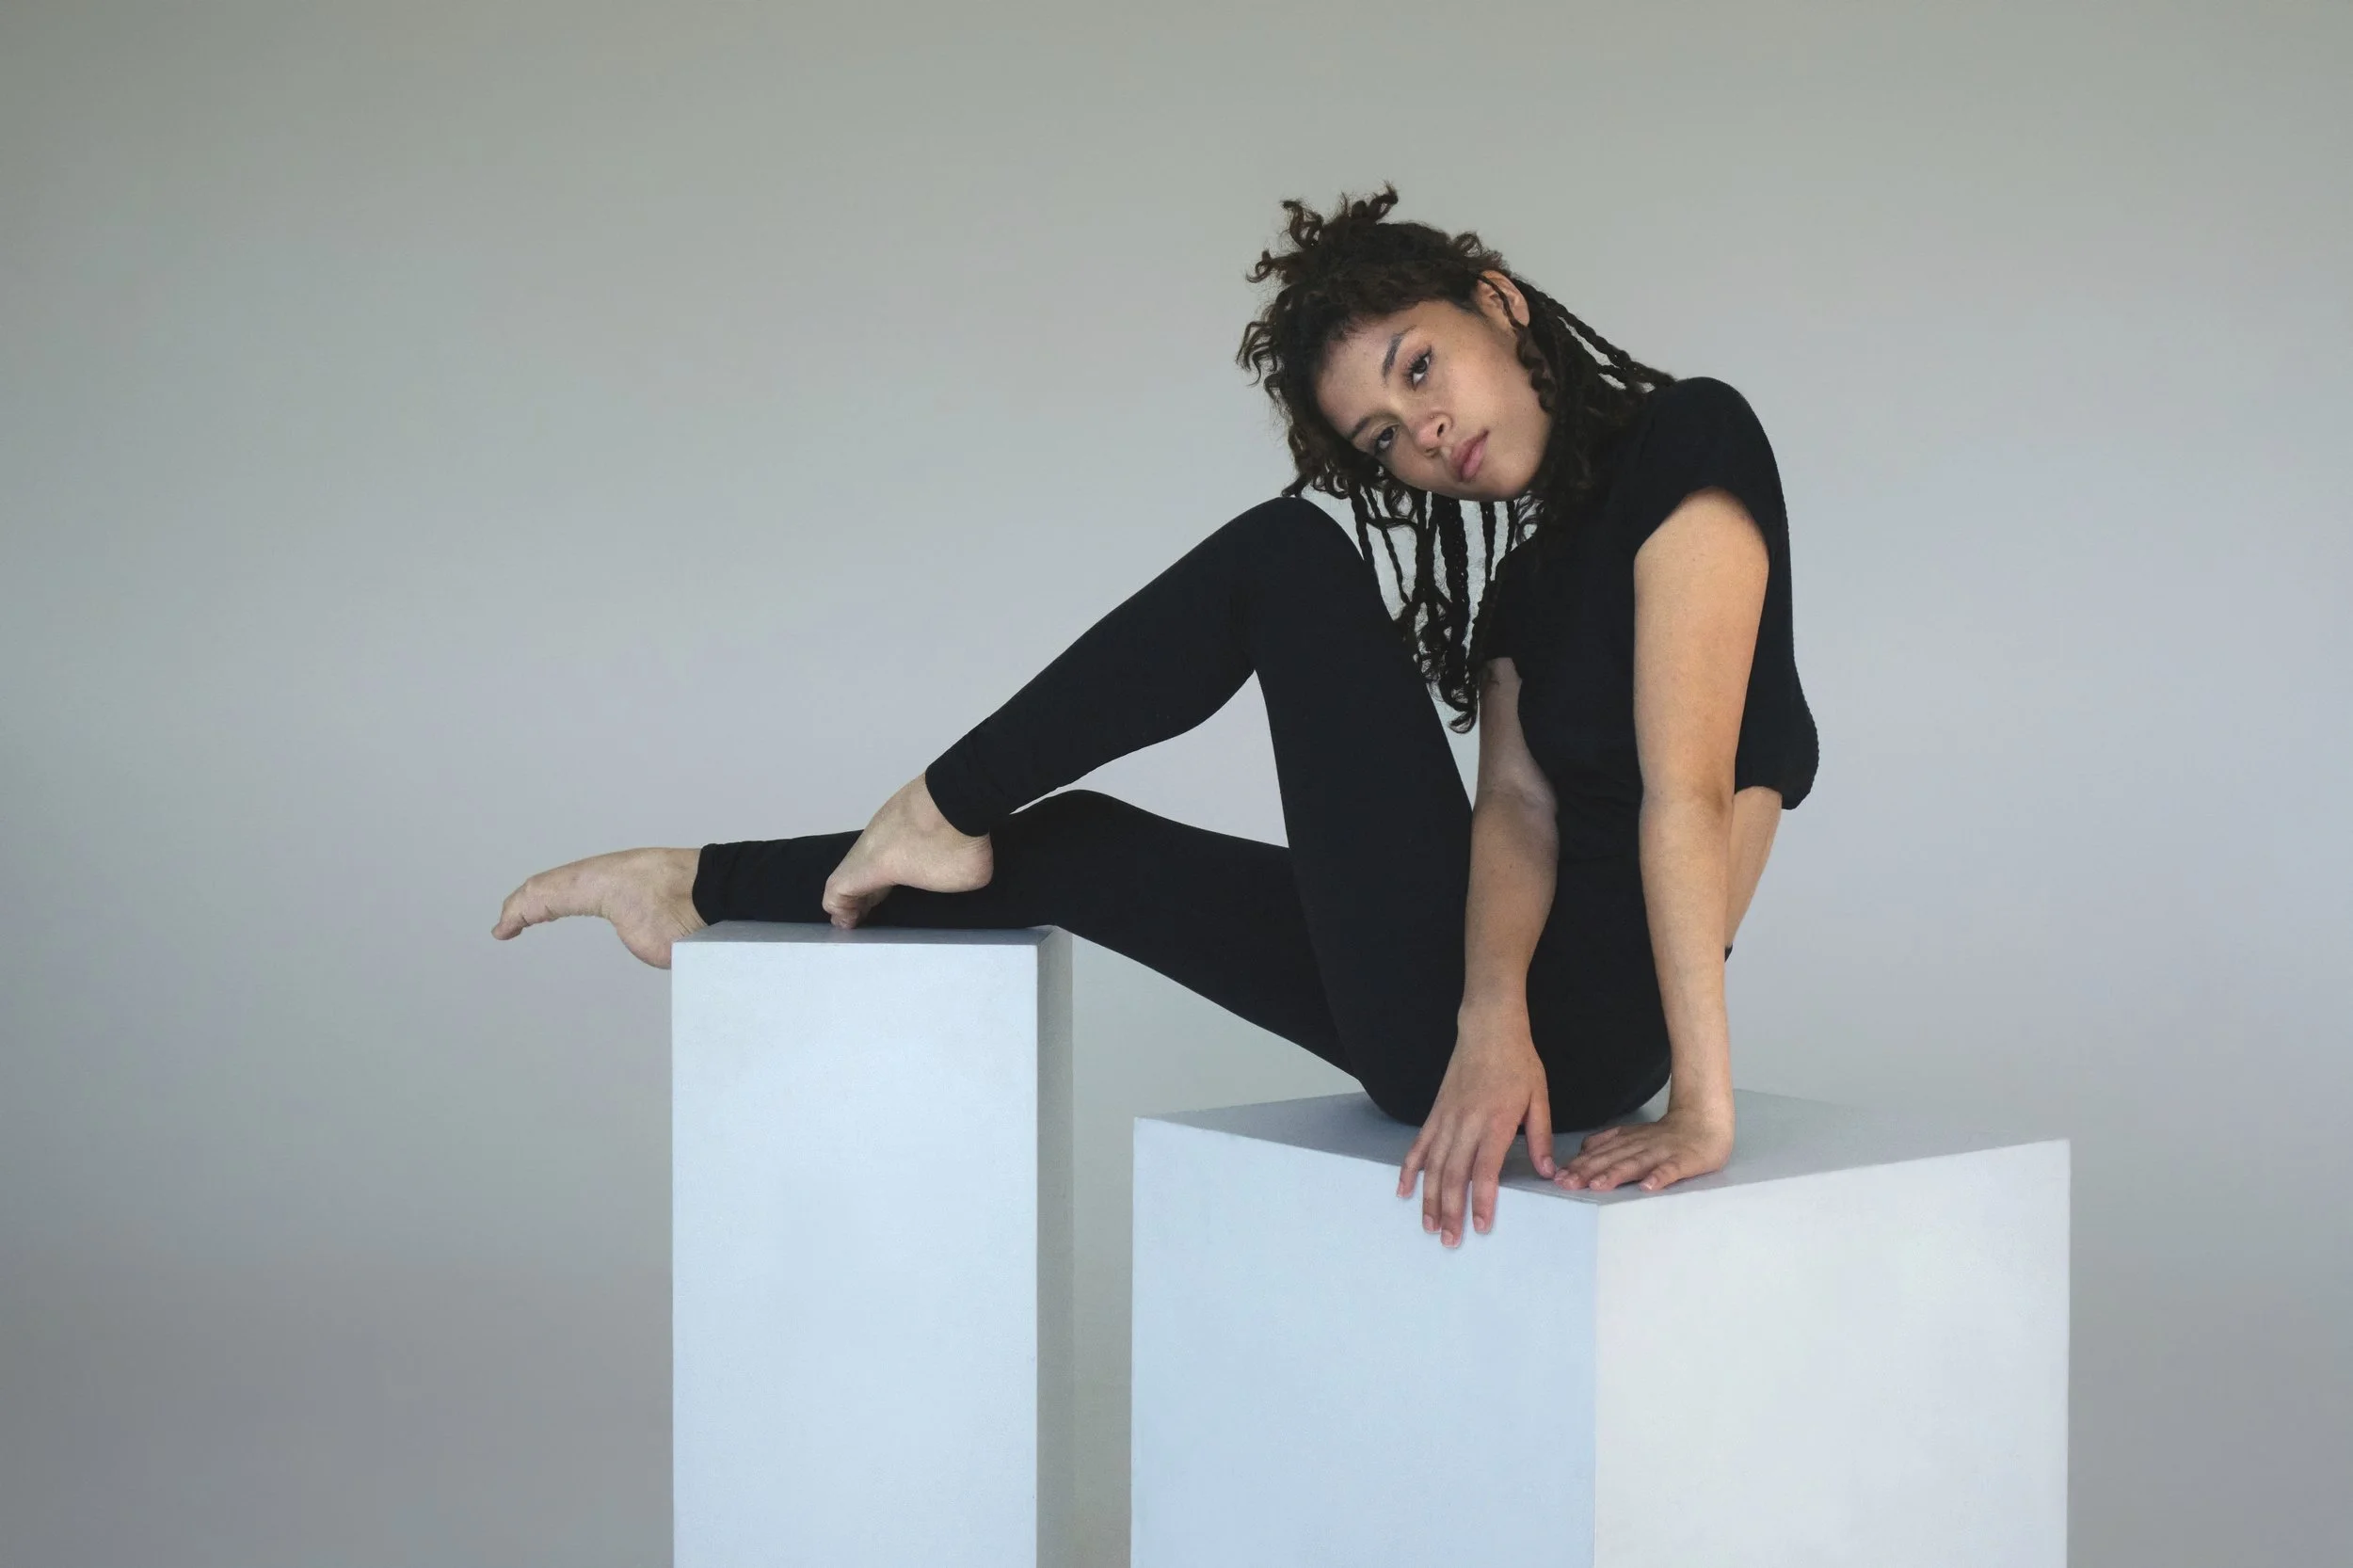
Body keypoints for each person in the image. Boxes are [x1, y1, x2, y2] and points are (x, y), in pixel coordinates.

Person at [491, 184, 1817, 1246]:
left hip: (1589, 1031)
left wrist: (1700, 1105)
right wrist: (1486, 1021)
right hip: (1491, 1024)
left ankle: (941, 797)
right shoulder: (1523, 588)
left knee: (1286, 562)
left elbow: (1689, 794)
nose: (1420, 432)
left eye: (1420, 368)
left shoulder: (1691, 442)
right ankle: (697, 886)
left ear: (1498, 301)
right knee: (1084, 846)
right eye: (1379, 436)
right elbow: (1516, 818)